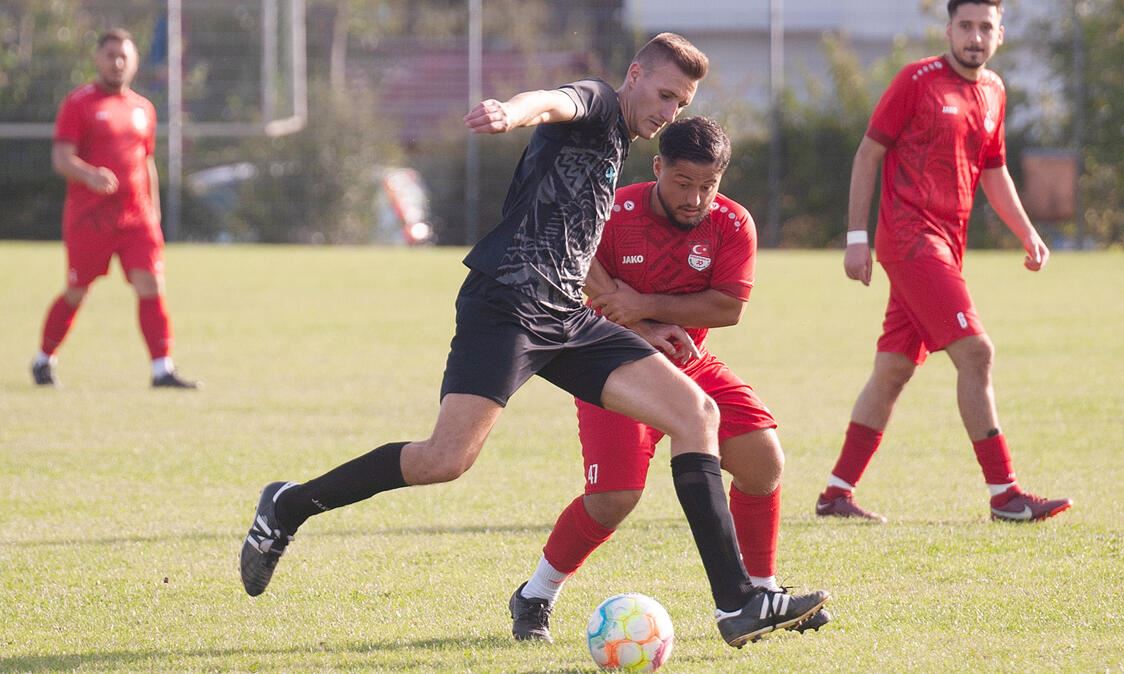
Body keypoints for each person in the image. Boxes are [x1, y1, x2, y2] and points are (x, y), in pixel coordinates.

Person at [239, 33, 828, 647]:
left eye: (680, 103)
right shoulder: (600, 104)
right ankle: (289, 506)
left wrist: (646, 324)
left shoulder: (624, 143)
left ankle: (737, 603)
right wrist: (509, 112)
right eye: (663, 94)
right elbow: (554, 101)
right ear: (633, 77)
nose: (668, 111)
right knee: (445, 460)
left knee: (696, 411)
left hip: (567, 316)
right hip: (506, 305)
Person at [507, 116, 830, 643]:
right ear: (658, 167)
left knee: (763, 459)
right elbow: (576, 261)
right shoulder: (614, 212)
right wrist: (637, 323)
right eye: (683, 183)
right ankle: (535, 594)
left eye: (708, 186)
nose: (695, 198)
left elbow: (728, 306)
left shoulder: (731, 223)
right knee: (614, 498)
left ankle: (763, 593)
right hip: (612, 365)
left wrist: (648, 308)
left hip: (691, 363)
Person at [815, 0, 1071, 523]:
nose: (975, 36)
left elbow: (993, 170)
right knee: (976, 353)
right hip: (910, 241)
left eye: (986, 27)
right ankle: (1006, 496)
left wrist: (1027, 232)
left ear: (1000, 34)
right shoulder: (916, 80)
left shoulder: (995, 90)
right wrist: (857, 236)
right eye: (966, 26)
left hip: (946, 245)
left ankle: (835, 494)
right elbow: (869, 153)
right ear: (949, 29)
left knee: (893, 370)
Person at [32, 29, 199, 389]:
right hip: (90, 219)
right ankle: (43, 359)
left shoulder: (143, 108)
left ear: (134, 60)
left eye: (124, 56)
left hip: (136, 218)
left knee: (151, 285)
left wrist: (153, 214)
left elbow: (146, 162)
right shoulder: (80, 104)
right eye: (110, 55)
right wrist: (90, 175)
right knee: (77, 291)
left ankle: (161, 369)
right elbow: (61, 158)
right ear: (98, 59)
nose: (117, 62)